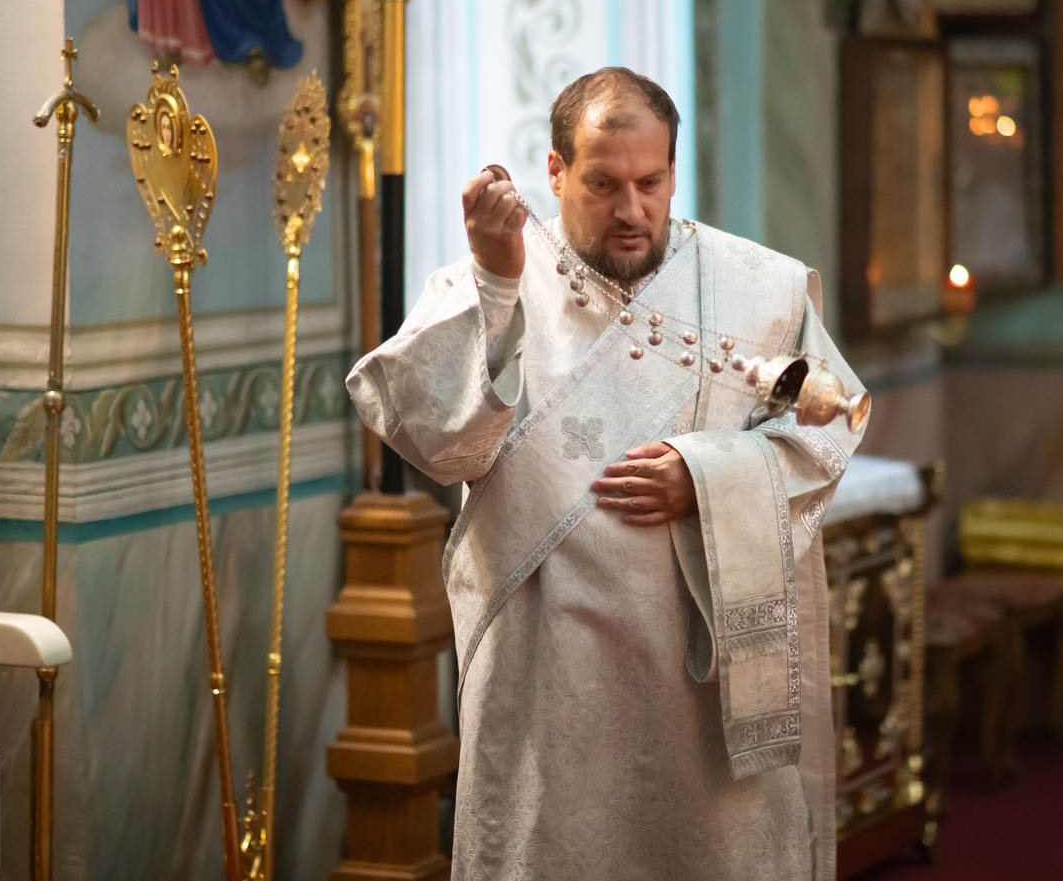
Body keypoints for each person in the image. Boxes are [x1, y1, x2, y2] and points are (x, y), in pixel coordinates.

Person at [346, 67, 865, 881]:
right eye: (603, 184)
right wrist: (496, 281)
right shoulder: (487, 277)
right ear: (556, 172)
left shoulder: (755, 288)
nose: (631, 209)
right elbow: (442, 447)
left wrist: (704, 478)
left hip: (702, 682)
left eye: (649, 183)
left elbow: (832, 430)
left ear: (673, 171)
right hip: (548, 676)